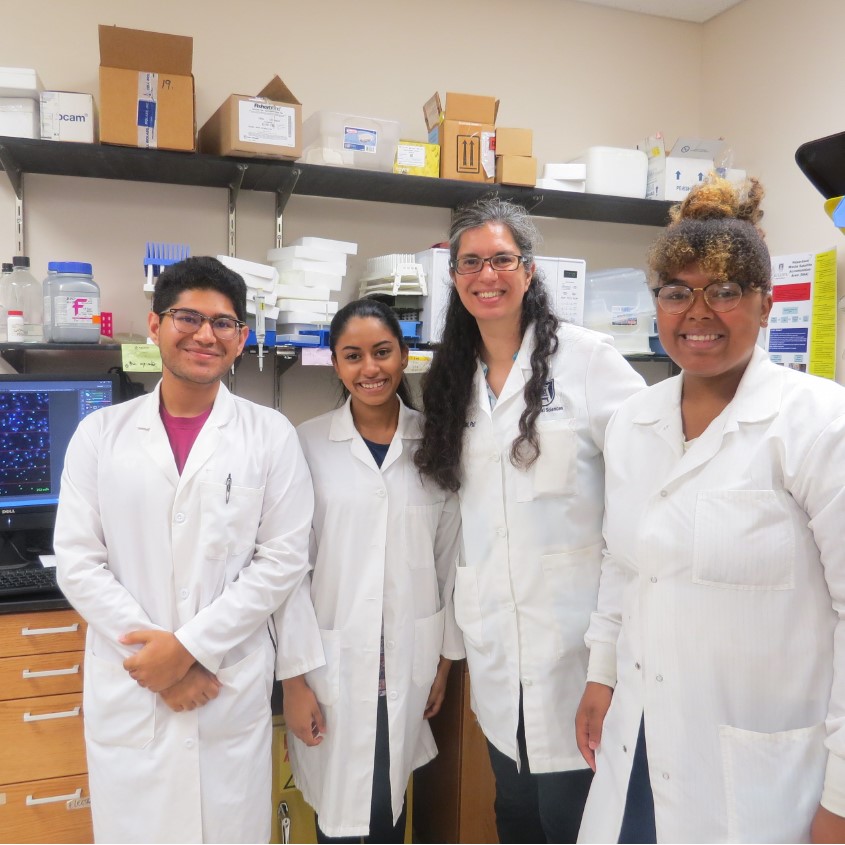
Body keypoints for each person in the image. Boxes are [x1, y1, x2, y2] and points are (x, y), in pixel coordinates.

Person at [575, 176, 845, 843]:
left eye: (724, 291)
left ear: (764, 303)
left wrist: (840, 798)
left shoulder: (818, 424)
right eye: (676, 292)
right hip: (638, 744)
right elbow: (623, 563)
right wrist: (600, 672)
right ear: (656, 305)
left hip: (763, 774)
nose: (698, 312)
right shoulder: (633, 421)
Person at [54, 256, 321, 844]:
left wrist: (192, 650)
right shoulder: (100, 434)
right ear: (155, 326)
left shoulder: (269, 433)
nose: (205, 334)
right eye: (187, 317)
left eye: (223, 323)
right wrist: (163, 662)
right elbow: (77, 560)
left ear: (242, 338)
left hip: (222, 681)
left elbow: (281, 559)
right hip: (134, 682)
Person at [414, 197, 645, 843]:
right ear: (454, 277)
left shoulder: (587, 359)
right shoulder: (450, 378)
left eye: (501, 260)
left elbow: (648, 470)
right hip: (495, 644)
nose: (486, 275)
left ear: (529, 269)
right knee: (513, 814)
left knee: (575, 819)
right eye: (470, 263)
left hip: (577, 644)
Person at [279, 298, 463, 842]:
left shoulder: (437, 443)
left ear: (405, 356)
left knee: (386, 806)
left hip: (407, 661)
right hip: (330, 662)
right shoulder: (306, 444)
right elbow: (289, 572)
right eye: (353, 356)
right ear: (335, 364)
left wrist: (446, 662)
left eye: (382, 352)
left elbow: (450, 559)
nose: (370, 368)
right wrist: (293, 681)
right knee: (339, 815)